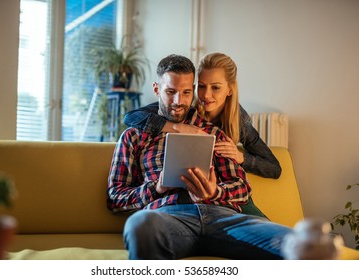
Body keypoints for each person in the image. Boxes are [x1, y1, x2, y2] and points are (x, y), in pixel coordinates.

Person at [107, 54, 292, 260]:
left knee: (296, 242)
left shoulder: (212, 132)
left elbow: (242, 187)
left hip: (221, 216)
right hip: (167, 216)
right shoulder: (134, 136)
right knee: (140, 225)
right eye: (170, 92)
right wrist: (155, 188)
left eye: (186, 92)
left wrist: (215, 191)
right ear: (156, 89)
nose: (179, 101)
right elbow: (115, 198)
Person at [123, 52, 281, 179]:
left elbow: (274, 168)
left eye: (216, 88)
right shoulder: (186, 106)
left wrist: (241, 157)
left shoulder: (238, 120)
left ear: (230, 89)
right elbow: (131, 117)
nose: (206, 95)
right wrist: (179, 128)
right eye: (202, 86)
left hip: (222, 188)